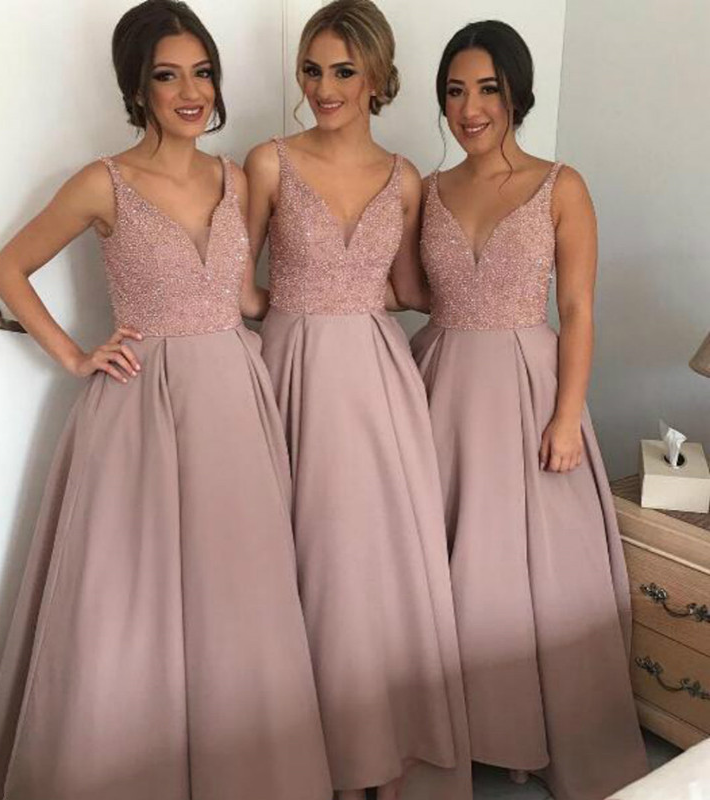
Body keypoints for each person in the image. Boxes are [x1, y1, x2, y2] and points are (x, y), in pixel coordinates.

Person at [0, 2, 331, 798]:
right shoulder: (104, 182)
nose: (191, 92)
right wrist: (74, 355)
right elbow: (7, 269)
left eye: (202, 73)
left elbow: (243, 297)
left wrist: (337, 306)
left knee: (239, 583)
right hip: (142, 408)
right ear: (137, 88)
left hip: (233, 397)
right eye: (169, 76)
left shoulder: (237, 178)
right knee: (132, 598)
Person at [403, 20, 649, 800]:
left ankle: (532, 731)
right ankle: (455, 732)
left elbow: (577, 309)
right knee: (442, 562)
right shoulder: (428, 190)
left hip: (530, 385)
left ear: (517, 93)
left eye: (487, 89)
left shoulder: (560, 185)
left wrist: (567, 417)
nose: (469, 108)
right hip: (440, 381)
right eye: (454, 91)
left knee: (532, 572)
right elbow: (407, 289)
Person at [245, 2, 471, 799]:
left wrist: (495, 304)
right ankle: (320, 760)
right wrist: (299, 309)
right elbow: (235, 288)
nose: (324, 87)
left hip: (378, 379)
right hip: (293, 370)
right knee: (305, 558)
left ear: (377, 76)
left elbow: (406, 287)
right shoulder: (268, 162)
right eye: (312, 69)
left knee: (377, 564)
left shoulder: (406, 178)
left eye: (343, 70)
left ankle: (385, 751)